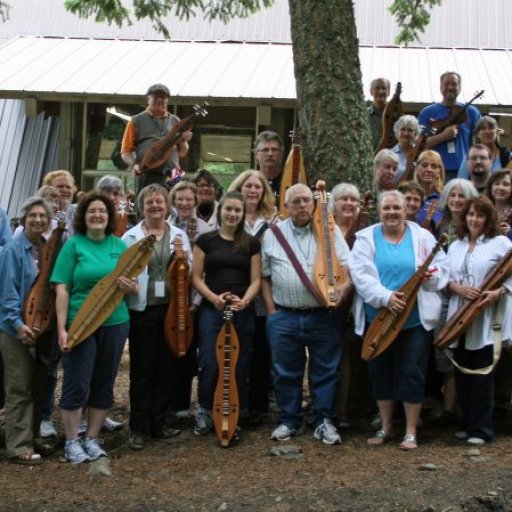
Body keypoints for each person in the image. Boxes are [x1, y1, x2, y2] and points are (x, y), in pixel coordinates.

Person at [349, 190, 448, 450]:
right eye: (387, 208)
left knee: (412, 372)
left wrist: (432, 277)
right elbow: (360, 275)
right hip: (378, 318)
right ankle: (385, 426)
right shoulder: (366, 238)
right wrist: (386, 297)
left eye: (397, 208)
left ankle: (411, 430)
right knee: (380, 371)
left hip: (414, 319)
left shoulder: (423, 237)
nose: (392, 212)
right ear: (380, 211)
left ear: (405, 210)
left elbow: (442, 268)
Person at [261, 184, 352, 445]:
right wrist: (271, 311)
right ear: (286, 207)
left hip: (323, 315)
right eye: (296, 202)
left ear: (313, 205)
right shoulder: (273, 235)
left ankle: (325, 420)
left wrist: (341, 293)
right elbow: (264, 277)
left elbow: (347, 270)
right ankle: (288, 420)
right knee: (285, 371)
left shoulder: (329, 232)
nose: (302, 205)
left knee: (326, 371)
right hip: (284, 316)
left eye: (305, 201)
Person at [51, 192, 137, 463]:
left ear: (109, 217)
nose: (97, 215)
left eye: (102, 211)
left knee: (104, 381)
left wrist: (130, 286)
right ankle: (71, 442)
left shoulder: (119, 245)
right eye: (92, 211)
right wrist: (63, 328)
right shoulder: (73, 245)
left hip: (115, 322)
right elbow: (62, 287)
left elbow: (133, 285)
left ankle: (92, 438)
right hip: (80, 323)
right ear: (83, 217)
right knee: (77, 381)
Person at [122, 184, 191, 450]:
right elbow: (124, 269)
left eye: (159, 202)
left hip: (172, 308)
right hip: (143, 310)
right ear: (142, 206)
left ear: (167, 205)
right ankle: (138, 427)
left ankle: (159, 422)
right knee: (142, 368)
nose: (155, 206)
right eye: (150, 202)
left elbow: (190, 269)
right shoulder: (130, 236)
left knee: (166, 366)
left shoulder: (178, 235)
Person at [191, 191, 261, 437]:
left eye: (237, 210)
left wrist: (245, 300)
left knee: (239, 364)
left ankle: (233, 413)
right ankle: (204, 409)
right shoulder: (205, 240)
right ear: (221, 211)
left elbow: (256, 280)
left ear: (243, 214)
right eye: (229, 209)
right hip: (213, 310)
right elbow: (196, 277)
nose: (232, 214)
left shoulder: (251, 243)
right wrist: (212, 298)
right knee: (210, 361)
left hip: (242, 310)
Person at [446, 197, 512, 445]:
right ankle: (465, 423)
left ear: (488, 219)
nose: (474, 219)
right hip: (459, 317)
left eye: (480, 215)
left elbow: (510, 276)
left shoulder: (500, 244)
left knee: (483, 375)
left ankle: (481, 429)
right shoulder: (455, 246)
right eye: (471, 215)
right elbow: (444, 278)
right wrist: (458, 288)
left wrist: (498, 292)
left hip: (487, 317)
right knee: (461, 372)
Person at [0, 197, 53, 464]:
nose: (38, 220)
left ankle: (31, 438)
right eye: (32, 215)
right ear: (24, 220)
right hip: (14, 330)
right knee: (18, 388)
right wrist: (18, 326)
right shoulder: (12, 251)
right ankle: (18, 446)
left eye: (43, 216)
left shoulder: (48, 250)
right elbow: (7, 296)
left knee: (38, 386)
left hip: (41, 328)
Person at [228, 170, 276, 424]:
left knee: (261, 352)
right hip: (233, 295)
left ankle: (258, 406)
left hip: (262, 299)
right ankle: (235, 403)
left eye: (258, 187)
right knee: (234, 349)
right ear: (240, 188)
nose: (253, 191)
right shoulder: (228, 216)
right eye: (248, 186)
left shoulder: (273, 220)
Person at [120, 83, 192, 194]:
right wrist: (135, 165)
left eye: (163, 97)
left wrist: (183, 140)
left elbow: (183, 152)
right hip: (147, 173)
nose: (159, 100)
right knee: (147, 206)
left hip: (174, 173)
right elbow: (125, 151)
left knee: (174, 207)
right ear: (148, 99)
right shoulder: (135, 121)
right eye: (155, 96)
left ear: (167, 100)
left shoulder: (176, 121)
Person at [419, 72, 481, 181]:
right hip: (434, 170)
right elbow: (419, 144)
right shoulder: (427, 112)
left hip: (463, 170)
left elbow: (480, 143)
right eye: (446, 84)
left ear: (460, 87)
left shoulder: (472, 112)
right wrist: (443, 136)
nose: (450, 87)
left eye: (454, 84)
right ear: (440, 86)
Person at [414, 150, 445, 228]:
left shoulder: (445, 199)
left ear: (439, 171)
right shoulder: (409, 197)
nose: (429, 170)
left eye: (434, 166)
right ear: (417, 169)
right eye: (424, 165)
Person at [254, 131, 284, 195]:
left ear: (281, 154)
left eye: (274, 149)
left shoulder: (288, 180)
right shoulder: (251, 182)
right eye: (265, 150)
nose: (270, 153)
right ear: (256, 154)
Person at [391, 115, 420, 180]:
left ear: (415, 134)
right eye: (403, 129)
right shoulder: (389, 154)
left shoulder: (420, 154)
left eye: (410, 130)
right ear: (396, 132)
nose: (406, 133)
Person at [367, 78, 391, 151]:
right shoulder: (363, 115)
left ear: (388, 92)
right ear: (371, 92)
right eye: (377, 88)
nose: (381, 91)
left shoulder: (395, 114)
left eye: (384, 88)